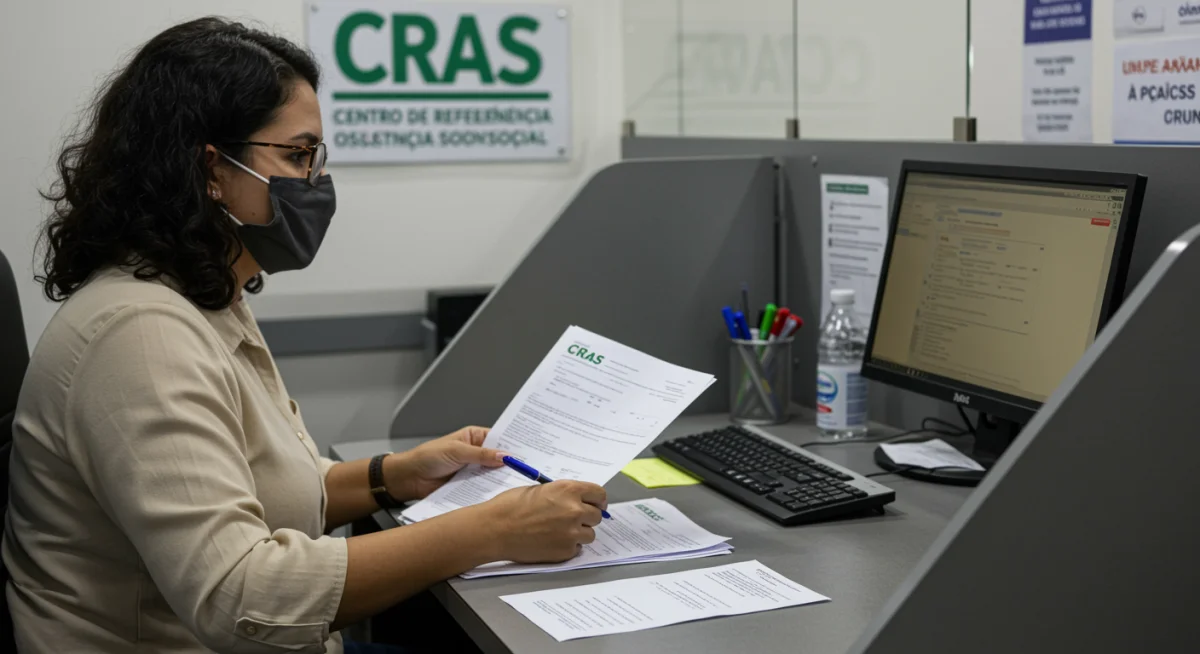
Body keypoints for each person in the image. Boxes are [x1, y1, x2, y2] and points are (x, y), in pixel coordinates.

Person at [2, 17, 607, 654]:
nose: (316, 181)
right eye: (297, 155)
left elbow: (258, 486)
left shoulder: (200, 294)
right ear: (211, 169)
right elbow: (243, 599)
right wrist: (493, 529)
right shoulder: (139, 336)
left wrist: (397, 475)